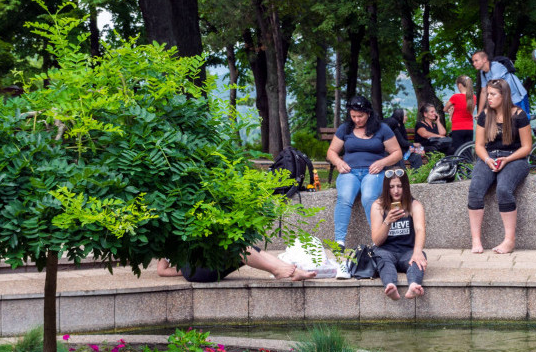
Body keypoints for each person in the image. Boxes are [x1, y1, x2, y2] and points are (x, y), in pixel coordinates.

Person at [324, 97, 403, 248]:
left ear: (368, 113)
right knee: (344, 197)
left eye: (360, 116)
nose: (357, 120)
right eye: (353, 116)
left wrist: (382, 162)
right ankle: (339, 241)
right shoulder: (345, 129)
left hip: (373, 172)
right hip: (349, 172)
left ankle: (377, 239)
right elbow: (331, 152)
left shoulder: (382, 129)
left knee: (369, 197)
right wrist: (339, 162)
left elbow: (397, 153)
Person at [467, 79, 532, 255]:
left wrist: (508, 159)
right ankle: (476, 240)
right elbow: (479, 145)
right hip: (489, 158)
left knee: (503, 190)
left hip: (515, 158)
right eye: (487, 94)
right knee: (475, 190)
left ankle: (509, 241)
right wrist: (488, 160)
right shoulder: (485, 115)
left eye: (493, 94)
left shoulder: (519, 115)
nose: (488, 97)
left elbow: (527, 147)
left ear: (504, 96)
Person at [370, 168, 427, 300]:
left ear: (405, 187)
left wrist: (418, 251)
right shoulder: (378, 206)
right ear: (386, 188)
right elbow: (377, 241)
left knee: (419, 259)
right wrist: (387, 222)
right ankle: (390, 286)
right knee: (382, 259)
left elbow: (420, 229)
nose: (396, 191)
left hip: (407, 251)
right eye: (391, 187)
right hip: (385, 250)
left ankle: (413, 285)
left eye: (399, 186)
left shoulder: (414, 205)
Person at [157, 247, 316, 282]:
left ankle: (293, 271)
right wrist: (185, 270)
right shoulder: (175, 232)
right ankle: (277, 270)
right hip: (197, 272)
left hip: (203, 268)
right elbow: (161, 270)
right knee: (240, 247)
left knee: (250, 247)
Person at [471, 50, 529, 118]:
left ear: (484, 59)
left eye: (476, 60)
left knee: (522, 121)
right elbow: (483, 92)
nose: (474, 63)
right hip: (506, 100)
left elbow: (494, 89)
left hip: (518, 97)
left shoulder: (496, 67)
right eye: (473, 61)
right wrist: (479, 113)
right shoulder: (483, 73)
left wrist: (489, 109)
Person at [444, 75, 476, 153]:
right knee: (467, 152)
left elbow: (445, 109)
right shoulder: (473, 97)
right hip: (469, 128)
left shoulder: (455, 97)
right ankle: (468, 165)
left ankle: (460, 165)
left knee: (458, 152)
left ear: (460, 85)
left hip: (457, 128)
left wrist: (451, 110)